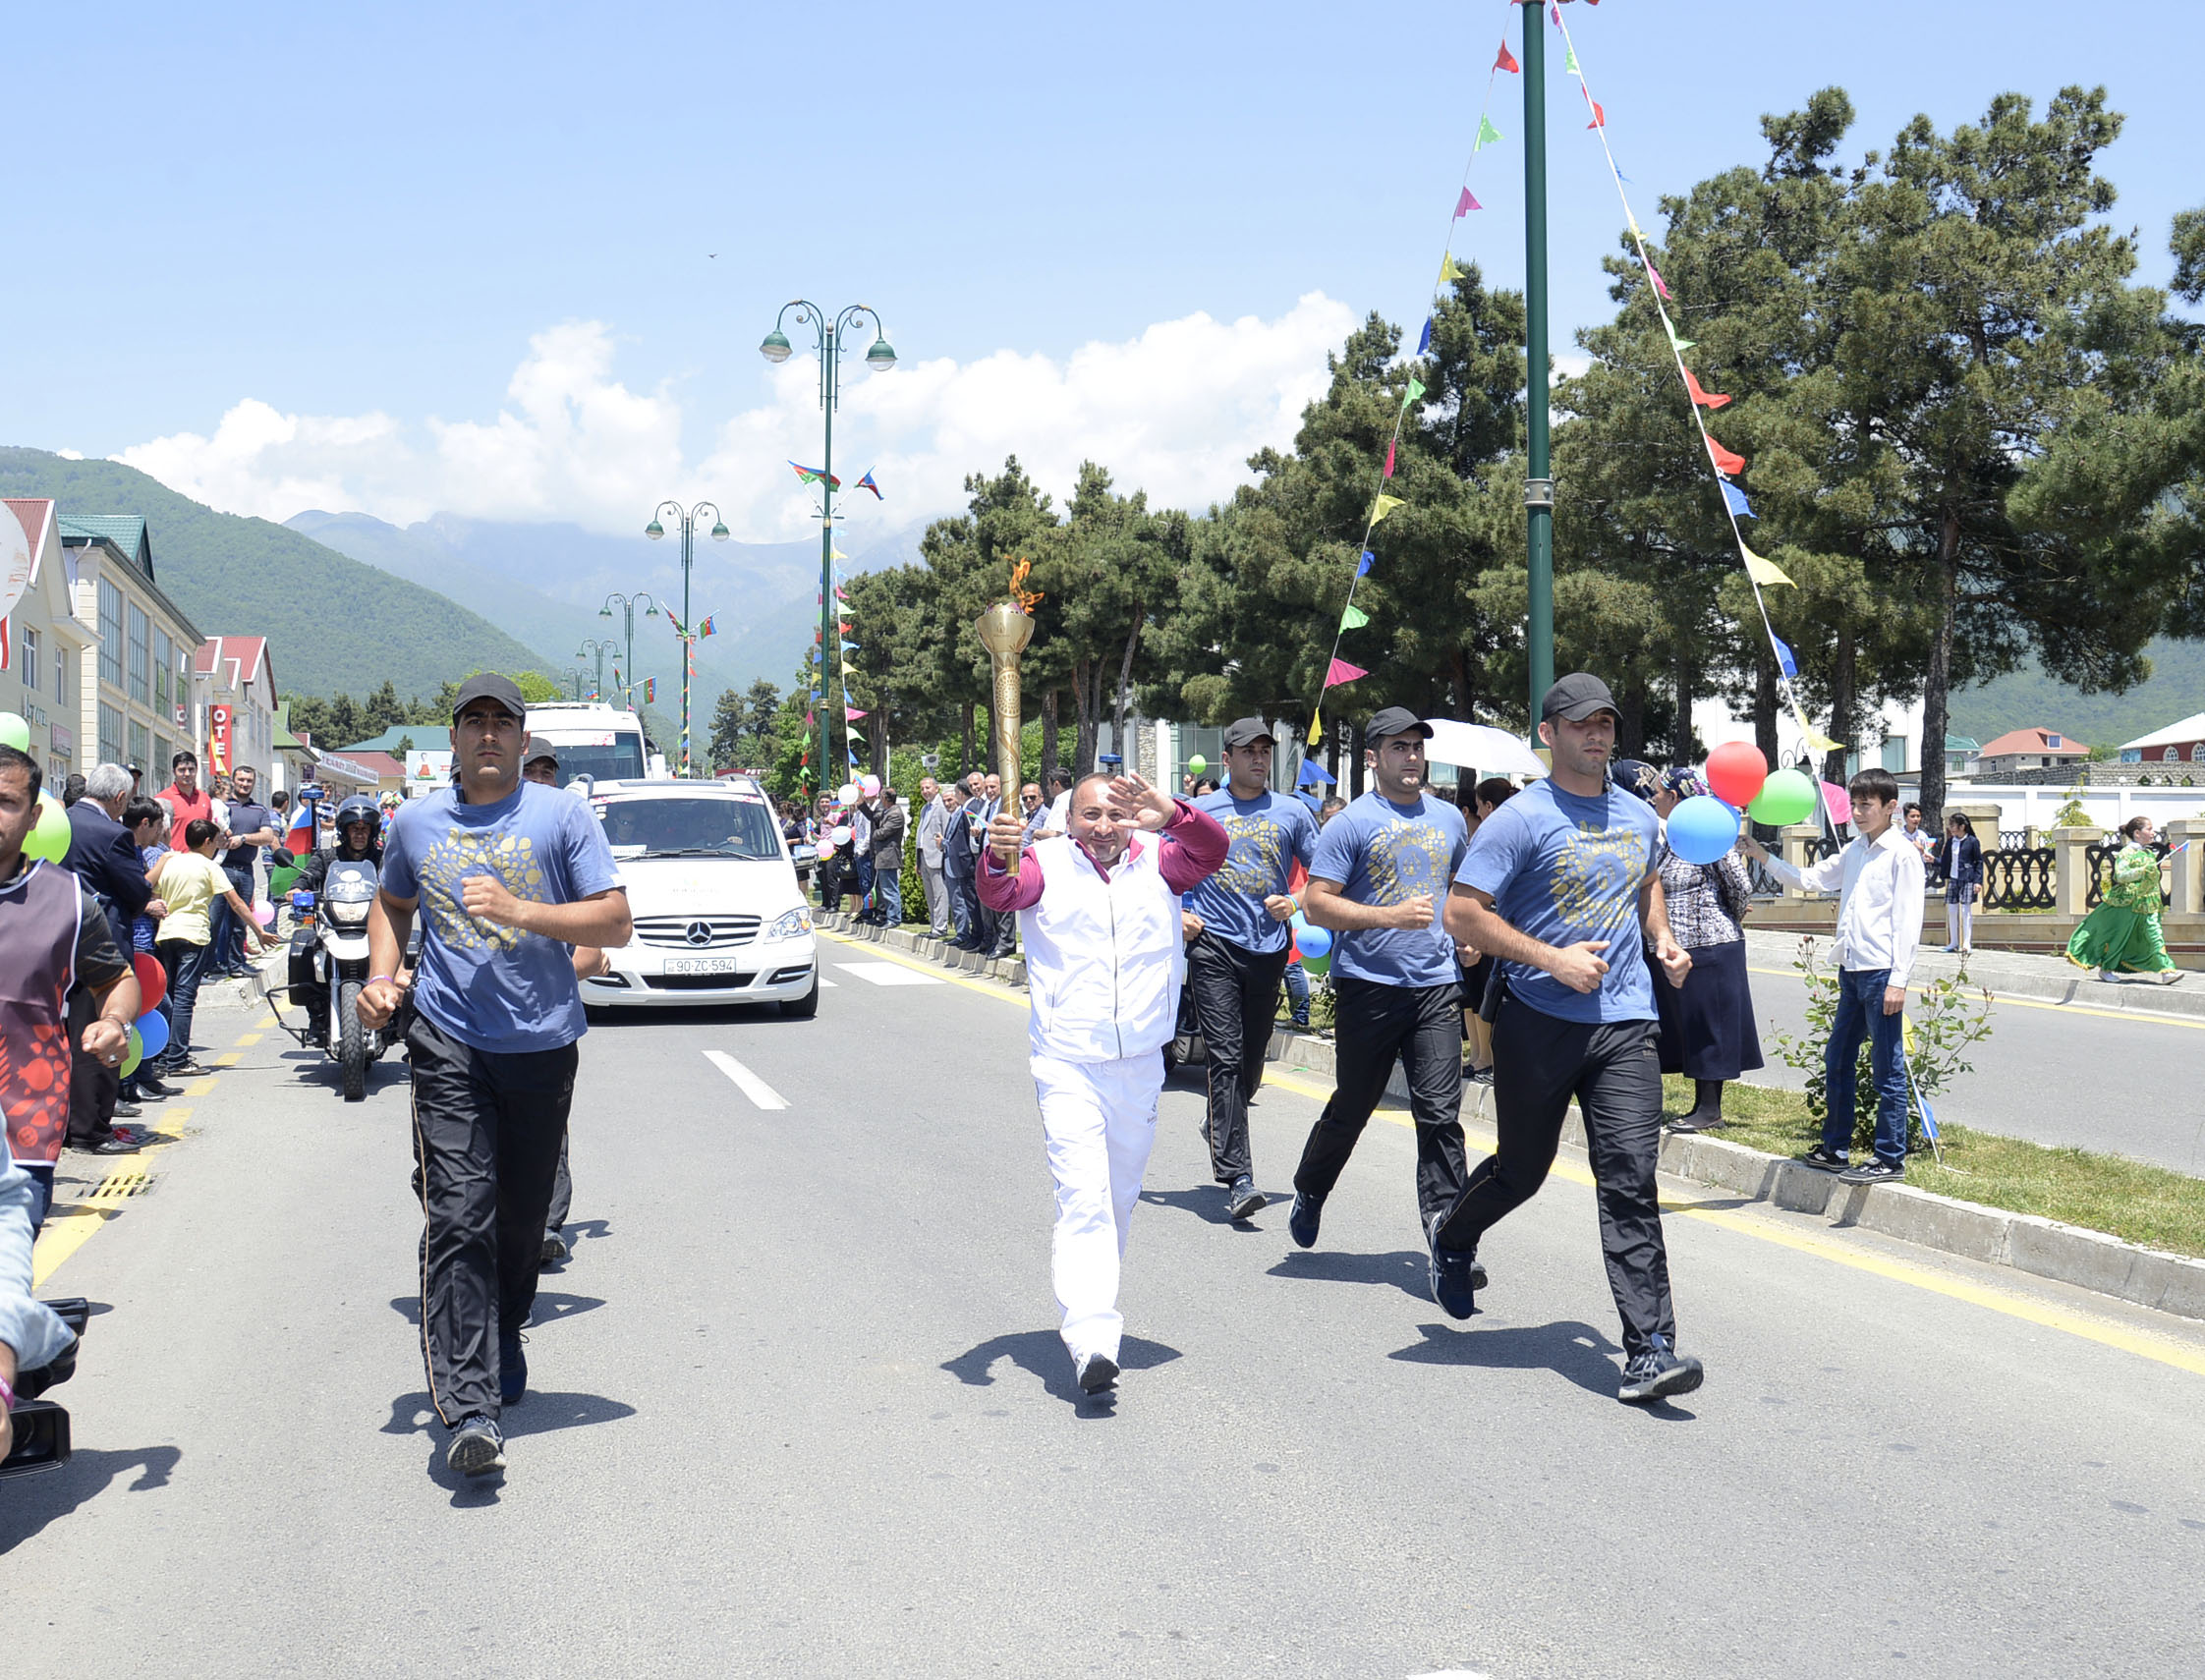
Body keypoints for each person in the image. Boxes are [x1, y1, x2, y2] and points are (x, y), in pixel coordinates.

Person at [356, 675, 630, 1479]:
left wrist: (522, 912)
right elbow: (393, 904)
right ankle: (468, 1409)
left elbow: (614, 919)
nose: (486, 736)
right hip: (446, 1038)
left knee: (518, 1220)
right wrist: (382, 976)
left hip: (541, 1043)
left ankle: (505, 1325)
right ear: (455, 738)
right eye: (472, 722)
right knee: (459, 1213)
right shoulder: (415, 822)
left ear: (519, 738)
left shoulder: (562, 815)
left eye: (500, 724)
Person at [1439, 674, 1704, 1404]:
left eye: (1607, 724)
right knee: (1524, 1169)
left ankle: (1649, 1349)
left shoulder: (1638, 815)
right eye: (1581, 724)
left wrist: (1664, 939)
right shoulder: (1519, 819)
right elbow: (1463, 914)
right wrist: (1551, 958)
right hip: (1539, 1021)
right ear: (1548, 734)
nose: (1597, 735)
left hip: (1625, 1023)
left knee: (1629, 1178)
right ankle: (1454, 1235)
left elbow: (1643, 879)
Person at [976, 769, 1227, 1394]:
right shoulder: (1045, 863)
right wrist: (997, 850)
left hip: (1142, 1063)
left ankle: (1090, 1312)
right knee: (1084, 1198)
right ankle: (1092, 1338)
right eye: (1091, 815)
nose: (1105, 827)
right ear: (1069, 819)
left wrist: (1172, 812)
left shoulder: (1161, 864)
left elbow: (1213, 850)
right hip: (1067, 1061)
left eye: (1116, 814)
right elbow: (1002, 892)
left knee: (1116, 1200)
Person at [1286, 707, 1475, 1294]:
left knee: (1441, 1117)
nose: (1412, 757)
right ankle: (1312, 1186)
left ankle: (1451, 1244)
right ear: (1373, 757)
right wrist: (1388, 916)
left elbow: (1463, 896)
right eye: (1399, 747)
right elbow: (1317, 904)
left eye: (1418, 747)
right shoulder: (1350, 824)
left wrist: (1467, 935)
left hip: (1436, 988)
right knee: (1354, 1105)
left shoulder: (1449, 820)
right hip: (1368, 987)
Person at [1742, 766, 1926, 1183]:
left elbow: (1908, 921)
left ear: (1890, 807)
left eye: (1867, 805)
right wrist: (1762, 855)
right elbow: (1810, 879)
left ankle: (1889, 1157)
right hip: (1852, 970)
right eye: (1855, 804)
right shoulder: (1856, 851)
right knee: (1838, 1058)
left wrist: (1899, 979)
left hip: (1881, 974)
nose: (1858, 812)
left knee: (1887, 1067)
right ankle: (1836, 1148)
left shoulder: (1902, 854)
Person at [1, 744, 141, 1225]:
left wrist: (115, 1021)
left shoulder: (68, 899)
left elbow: (118, 979)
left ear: (34, 814)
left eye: (6, 801)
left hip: (25, 1120)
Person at [1185, 718, 1319, 1220]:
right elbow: (1163, 869)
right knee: (1225, 1056)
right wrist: (1178, 912)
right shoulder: (1199, 812)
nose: (1259, 759)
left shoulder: (1293, 812)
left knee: (1252, 1060)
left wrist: (1298, 897)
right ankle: (1238, 1176)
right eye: (1248, 751)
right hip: (1213, 945)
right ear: (1227, 760)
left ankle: (1220, 1118)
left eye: (1265, 750)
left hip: (1267, 950)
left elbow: (1327, 874)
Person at [1637, 766, 1762, 1133]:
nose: (1655, 798)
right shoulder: (1670, 840)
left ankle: (1711, 1109)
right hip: (1677, 951)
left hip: (1712, 947)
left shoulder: (1708, 836)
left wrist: (1721, 921)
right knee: (1688, 1027)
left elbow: (1740, 887)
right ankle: (1698, 1105)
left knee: (1712, 1028)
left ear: (1676, 798)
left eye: (1660, 793)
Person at [61, 763, 168, 1147]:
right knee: (103, 1035)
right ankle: (92, 1130)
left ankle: (66, 1125)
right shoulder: (113, 834)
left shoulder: (60, 821)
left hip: (55, 946)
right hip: (100, 951)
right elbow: (137, 894)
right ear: (121, 798)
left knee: (64, 1039)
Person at [150, 819, 270, 1088]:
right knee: (184, 998)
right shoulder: (209, 866)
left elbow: (155, 893)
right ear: (206, 842)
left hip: (166, 933)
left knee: (167, 995)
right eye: (216, 842)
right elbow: (236, 903)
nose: (218, 847)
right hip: (193, 936)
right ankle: (178, 1059)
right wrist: (259, 931)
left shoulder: (172, 862)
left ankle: (163, 1053)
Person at [2067, 814, 2182, 985]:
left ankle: (2167, 971)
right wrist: (2142, 870)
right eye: (2149, 829)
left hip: (2148, 903)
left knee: (2155, 936)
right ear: (2137, 833)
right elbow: (2120, 875)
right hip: (2128, 903)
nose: (2153, 833)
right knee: (2119, 937)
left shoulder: (2149, 853)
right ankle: (2106, 968)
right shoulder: (2126, 852)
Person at [1457, 776, 1519, 1084]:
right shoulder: (1480, 836)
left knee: (1485, 995)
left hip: (1491, 922)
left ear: (1489, 806)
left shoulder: (1500, 836)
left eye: (1480, 805)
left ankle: (1487, 1058)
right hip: (1471, 923)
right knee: (1470, 995)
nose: (1476, 811)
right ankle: (1477, 1054)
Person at [214, 763, 277, 979]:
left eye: (249, 781)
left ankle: (236, 963)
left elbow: (268, 836)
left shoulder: (259, 810)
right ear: (233, 780)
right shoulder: (222, 806)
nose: (244, 784)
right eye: (241, 780)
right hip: (221, 868)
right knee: (216, 919)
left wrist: (243, 838)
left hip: (246, 871)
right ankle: (215, 964)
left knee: (240, 922)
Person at [1932, 812, 1984, 955]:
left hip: (1967, 878)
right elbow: (1946, 861)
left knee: (1965, 911)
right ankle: (1953, 942)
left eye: (1953, 825)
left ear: (1962, 826)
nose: (1951, 828)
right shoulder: (1951, 842)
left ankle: (1966, 942)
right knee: (1952, 910)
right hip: (1953, 879)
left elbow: (1979, 862)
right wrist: (1934, 860)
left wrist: (1978, 881)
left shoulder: (1972, 841)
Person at [939, 781, 982, 948]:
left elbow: (968, 839)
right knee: (957, 901)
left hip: (965, 865)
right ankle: (963, 934)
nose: (950, 802)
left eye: (953, 797)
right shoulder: (957, 813)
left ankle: (974, 935)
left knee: (970, 903)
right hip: (953, 864)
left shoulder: (967, 811)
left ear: (960, 795)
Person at [863, 784, 905, 926]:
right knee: (884, 889)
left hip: (889, 857)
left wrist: (873, 833)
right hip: (882, 857)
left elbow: (882, 833)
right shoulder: (887, 812)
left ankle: (894, 918)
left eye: (881, 798)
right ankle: (890, 916)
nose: (880, 801)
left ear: (886, 799)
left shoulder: (895, 814)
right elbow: (874, 817)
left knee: (890, 889)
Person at [155, 749, 212, 851]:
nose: (187, 774)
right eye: (182, 770)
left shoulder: (205, 799)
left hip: (199, 860)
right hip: (172, 859)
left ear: (196, 770)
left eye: (191, 769)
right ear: (174, 772)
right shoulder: (163, 799)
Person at [915, 775, 950, 935]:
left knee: (940, 894)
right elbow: (922, 834)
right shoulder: (925, 808)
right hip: (923, 857)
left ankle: (941, 927)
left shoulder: (942, 806)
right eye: (922, 788)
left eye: (928, 788)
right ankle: (933, 926)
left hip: (937, 857)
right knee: (930, 895)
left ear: (937, 788)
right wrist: (918, 859)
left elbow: (946, 831)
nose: (925, 791)